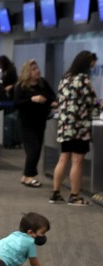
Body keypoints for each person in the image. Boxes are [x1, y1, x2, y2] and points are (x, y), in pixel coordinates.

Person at [49, 50, 100, 206]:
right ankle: (74, 196)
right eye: (91, 64)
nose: (92, 67)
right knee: (77, 161)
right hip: (79, 127)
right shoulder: (83, 80)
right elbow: (92, 104)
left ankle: (55, 193)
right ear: (86, 64)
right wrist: (99, 106)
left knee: (63, 158)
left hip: (65, 126)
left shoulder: (65, 79)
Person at [13, 59, 56, 188]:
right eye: (33, 69)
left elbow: (52, 97)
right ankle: (29, 176)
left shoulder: (43, 83)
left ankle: (26, 176)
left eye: (37, 68)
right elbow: (16, 104)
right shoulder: (21, 87)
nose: (37, 71)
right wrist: (32, 99)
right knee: (33, 148)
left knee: (37, 150)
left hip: (40, 121)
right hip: (26, 123)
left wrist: (47, 101)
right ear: (27, 72)